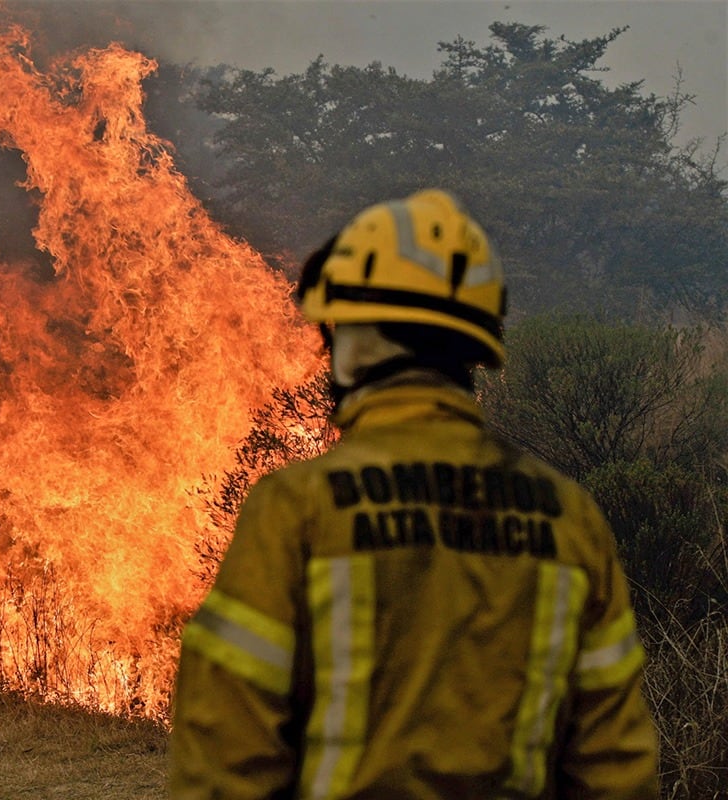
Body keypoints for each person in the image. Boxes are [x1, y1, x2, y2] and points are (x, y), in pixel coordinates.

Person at [168, 190, 659, 799]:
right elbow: (617, 767)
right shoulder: (569, 519)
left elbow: (226, 749)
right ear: (475, 345)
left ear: (358, 340)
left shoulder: (297, 508)